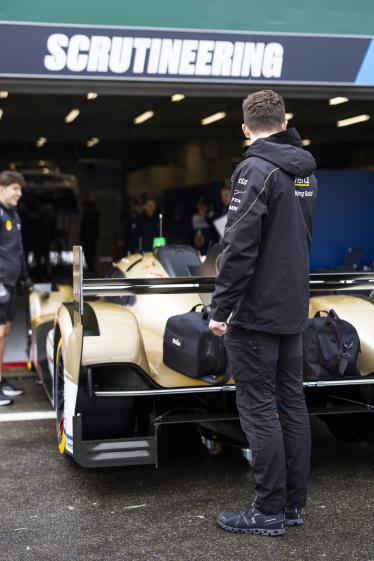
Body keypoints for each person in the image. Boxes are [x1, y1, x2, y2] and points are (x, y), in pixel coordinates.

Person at [209, 90, 318, 536]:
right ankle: (291, 506)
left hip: (255, 312)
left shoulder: (254, 168)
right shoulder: (305, 171)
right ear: (285, 119)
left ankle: (268, 510)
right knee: (291, 402)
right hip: (293, 304)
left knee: (257, 406)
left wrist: (222, 307)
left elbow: (238, 246)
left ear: (245, 128)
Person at [0, 171, 32, 405]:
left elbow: (18, 250)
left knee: (5, 331)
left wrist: (25, 277)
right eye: (15, 188)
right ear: (2, 189)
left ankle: (1, 380)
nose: (19, 193)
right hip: (0, 283)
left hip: (10, 284)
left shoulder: (14, 215)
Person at [80, 199, 100, 273]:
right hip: (89, 237)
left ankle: (91, 267)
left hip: (90, 237)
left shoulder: (92, 214)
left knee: (90, 252)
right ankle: (91, 267)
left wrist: (82, 236)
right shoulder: (91, 214)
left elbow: (85, 226)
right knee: (89, 252)